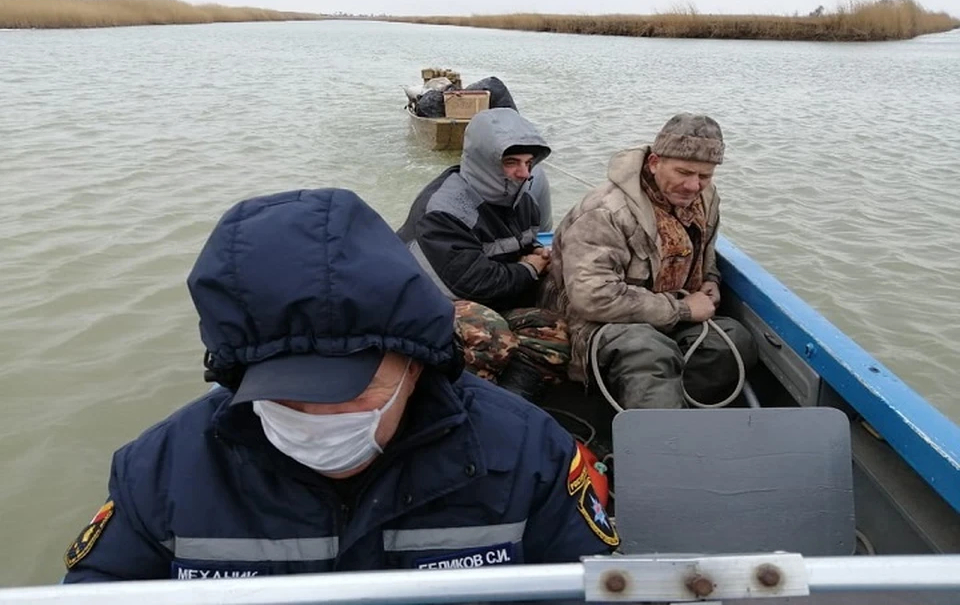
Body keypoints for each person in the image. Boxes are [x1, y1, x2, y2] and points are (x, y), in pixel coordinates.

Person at [62, 188, 618, 582]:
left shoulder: (529, 454)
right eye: (280, 389)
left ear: (416, 362)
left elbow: (594, 585)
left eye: (351, 386)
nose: (315, 414)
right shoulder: (158, 474)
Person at [540, 114, 758, 410]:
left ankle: (672, 410)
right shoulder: (605, 213)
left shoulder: (705, 197)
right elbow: (592, 298)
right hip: (598, 324)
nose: (693, 185)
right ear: (655, 162)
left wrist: (710, 280)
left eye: (704, 176)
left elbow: (706, 251)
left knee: (733, 342)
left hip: (672, 314)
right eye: (684, 172)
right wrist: (682, 309)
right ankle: (657, 440)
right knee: (648, 352)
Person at [397, 108, 568, 403]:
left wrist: (537, 255)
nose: (524, 173)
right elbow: (474, 282)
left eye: (529, 163)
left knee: (554, 328)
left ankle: (511, 402)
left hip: (489, 302)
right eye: (511, 162)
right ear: (483, 160)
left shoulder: (524, 199)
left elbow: (520, 249)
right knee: (488, 329)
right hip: (425, 306)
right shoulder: (443, 208)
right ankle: (449, 402)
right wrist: (529, 267)